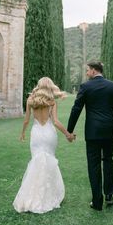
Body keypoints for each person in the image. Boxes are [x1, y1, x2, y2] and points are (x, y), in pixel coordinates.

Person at [67, 61, 113, 211]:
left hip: (93, 132)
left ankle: (97, 202)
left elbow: (76, 109)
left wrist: (69, 130)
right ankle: (109, 195)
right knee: (108, 160)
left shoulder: (86, 87)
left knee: (93, 165)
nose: (86, 73)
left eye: (87, 70)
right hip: (109, 130)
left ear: (94, 71)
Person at [13, 77, 75, 214]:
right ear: (50, 86)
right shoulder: (51, 101)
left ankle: (32, 196)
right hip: (49, 134)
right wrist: (67, 134)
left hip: (36, 134)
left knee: (36, 161)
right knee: (48, 162)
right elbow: (56, 122)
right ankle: (49, 194)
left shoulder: (30, 100)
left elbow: (26, 121)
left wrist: (23, 133)